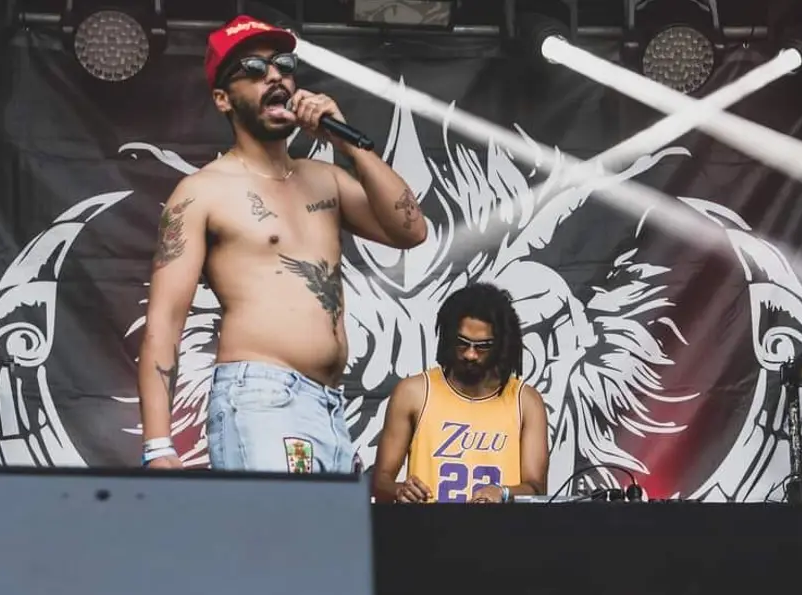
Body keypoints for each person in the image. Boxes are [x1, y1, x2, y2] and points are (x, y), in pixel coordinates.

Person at [137, 15, 427, 472]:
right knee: (278, 522)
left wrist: (350, 145)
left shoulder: (325, 178)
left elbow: (411, 230)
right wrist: (158, 445)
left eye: (283, 65)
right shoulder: (202, 192)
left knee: (329, 524)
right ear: (223, 99)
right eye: (253, 69)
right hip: (260, 399)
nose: (274, 76)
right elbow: (164, 322)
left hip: (329, 404)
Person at [372, 283, 549, 503]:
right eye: (462, 343)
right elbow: (379, 483)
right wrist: (400, 490)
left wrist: (503, 493)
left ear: (501, 345)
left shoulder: (526, 401)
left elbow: (537, 489)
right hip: (427, 525)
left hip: (502, 526)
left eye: (482, 346)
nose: (470, 354)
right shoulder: (414, 393)